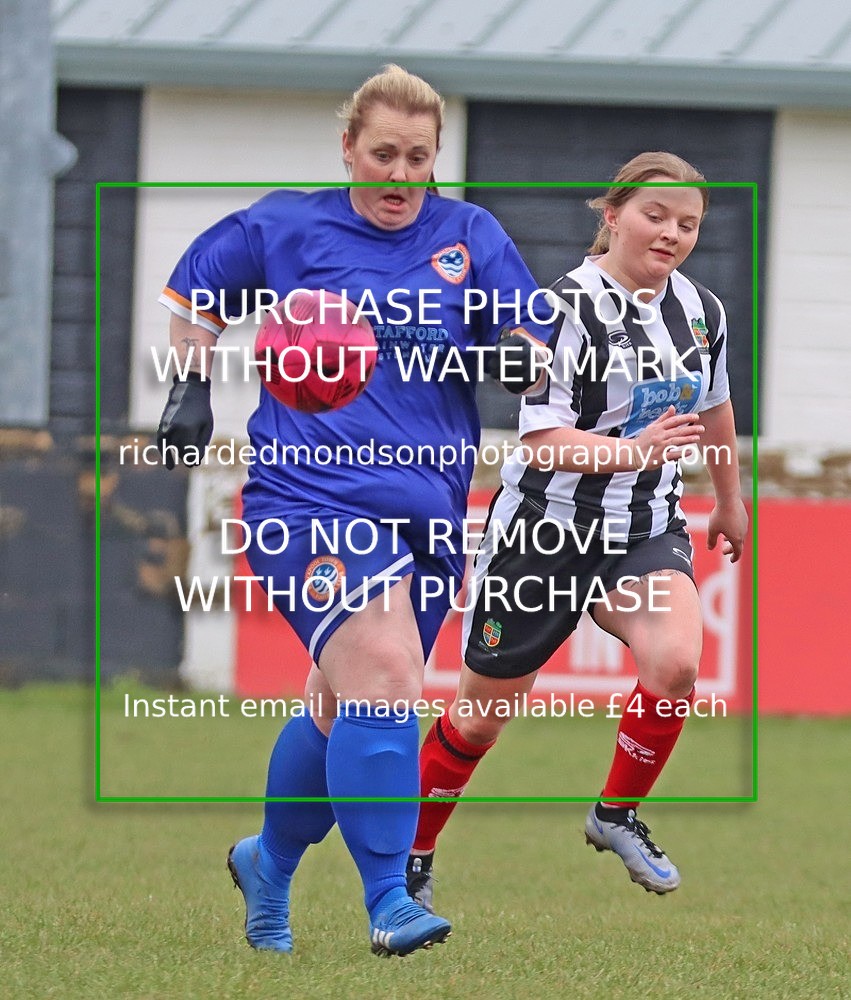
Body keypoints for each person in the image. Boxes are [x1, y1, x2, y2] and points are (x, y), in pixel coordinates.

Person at [155, 65, 550, 957]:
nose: (400, 176)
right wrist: (188, 387)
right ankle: (388, 899)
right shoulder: (286, 224)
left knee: (341, 705)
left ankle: (270, 862)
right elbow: (192, 295)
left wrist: (523, 356)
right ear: (347, 149)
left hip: (427, 512)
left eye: (419, 158)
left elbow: (524, 326)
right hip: (308, 501)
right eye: (383, 155)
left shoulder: (468, 235)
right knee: (388, 681)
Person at [406, 151, 749, 907]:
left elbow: (716, 406)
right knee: (478, 719)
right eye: (654, 215)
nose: (670, 234)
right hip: (544, 533)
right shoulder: (555, 310)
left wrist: (729, 498)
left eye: (686, 224)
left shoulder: (701, 311)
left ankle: (615, 813)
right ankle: (414, 855)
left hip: (642, 527)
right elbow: (539, 440)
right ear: (612, 213)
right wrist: (633, 450)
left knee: (676, 662)